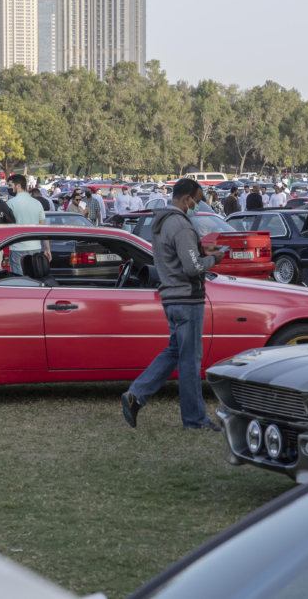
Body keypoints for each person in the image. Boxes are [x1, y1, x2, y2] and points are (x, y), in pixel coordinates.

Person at [120, 178, 225, 431]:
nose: (198, 206)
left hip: (172, 297)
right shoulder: (181, 225)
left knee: (175, 352)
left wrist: (202, 250)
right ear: (187, 199)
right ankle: (195, 420)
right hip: (187, 299)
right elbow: (193, 267)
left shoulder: (163, 222)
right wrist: (215, 259)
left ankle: (137, 394)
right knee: (190, 361)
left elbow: (178, 256)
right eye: (197, 201)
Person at [7, 174, 51, 275]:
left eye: (10, 185)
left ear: (18, 185)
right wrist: (47, 248)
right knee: (33, 279)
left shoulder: (10, 203)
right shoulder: (37, 203)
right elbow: (43, 228)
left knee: (19, 280)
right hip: (35, 247)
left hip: (17, 248)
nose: (8, 188)